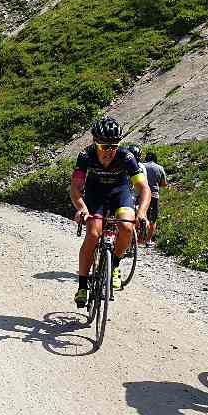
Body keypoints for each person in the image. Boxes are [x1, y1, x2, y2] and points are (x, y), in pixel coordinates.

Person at [71, 117, 150, 307]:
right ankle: (83, 286)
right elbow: (75, 187)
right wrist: (81, 208)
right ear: (95, 143)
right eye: (104, 146)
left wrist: (142, 212)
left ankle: (114, 265)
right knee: (92, 233)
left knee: (126, 226)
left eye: (113, 146)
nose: (109, 151)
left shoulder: (126, 156)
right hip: (95, 194)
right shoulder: (86, 156)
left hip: (120, 193)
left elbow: (143, 187)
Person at [141, 152, 168, 247]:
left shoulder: (141, 166)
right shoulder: (159, 168)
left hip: (141, 195)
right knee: (153, 218)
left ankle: (137, 239)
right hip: (153, 195)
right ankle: (148, 240)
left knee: (139, 214)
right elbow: (164, 184)